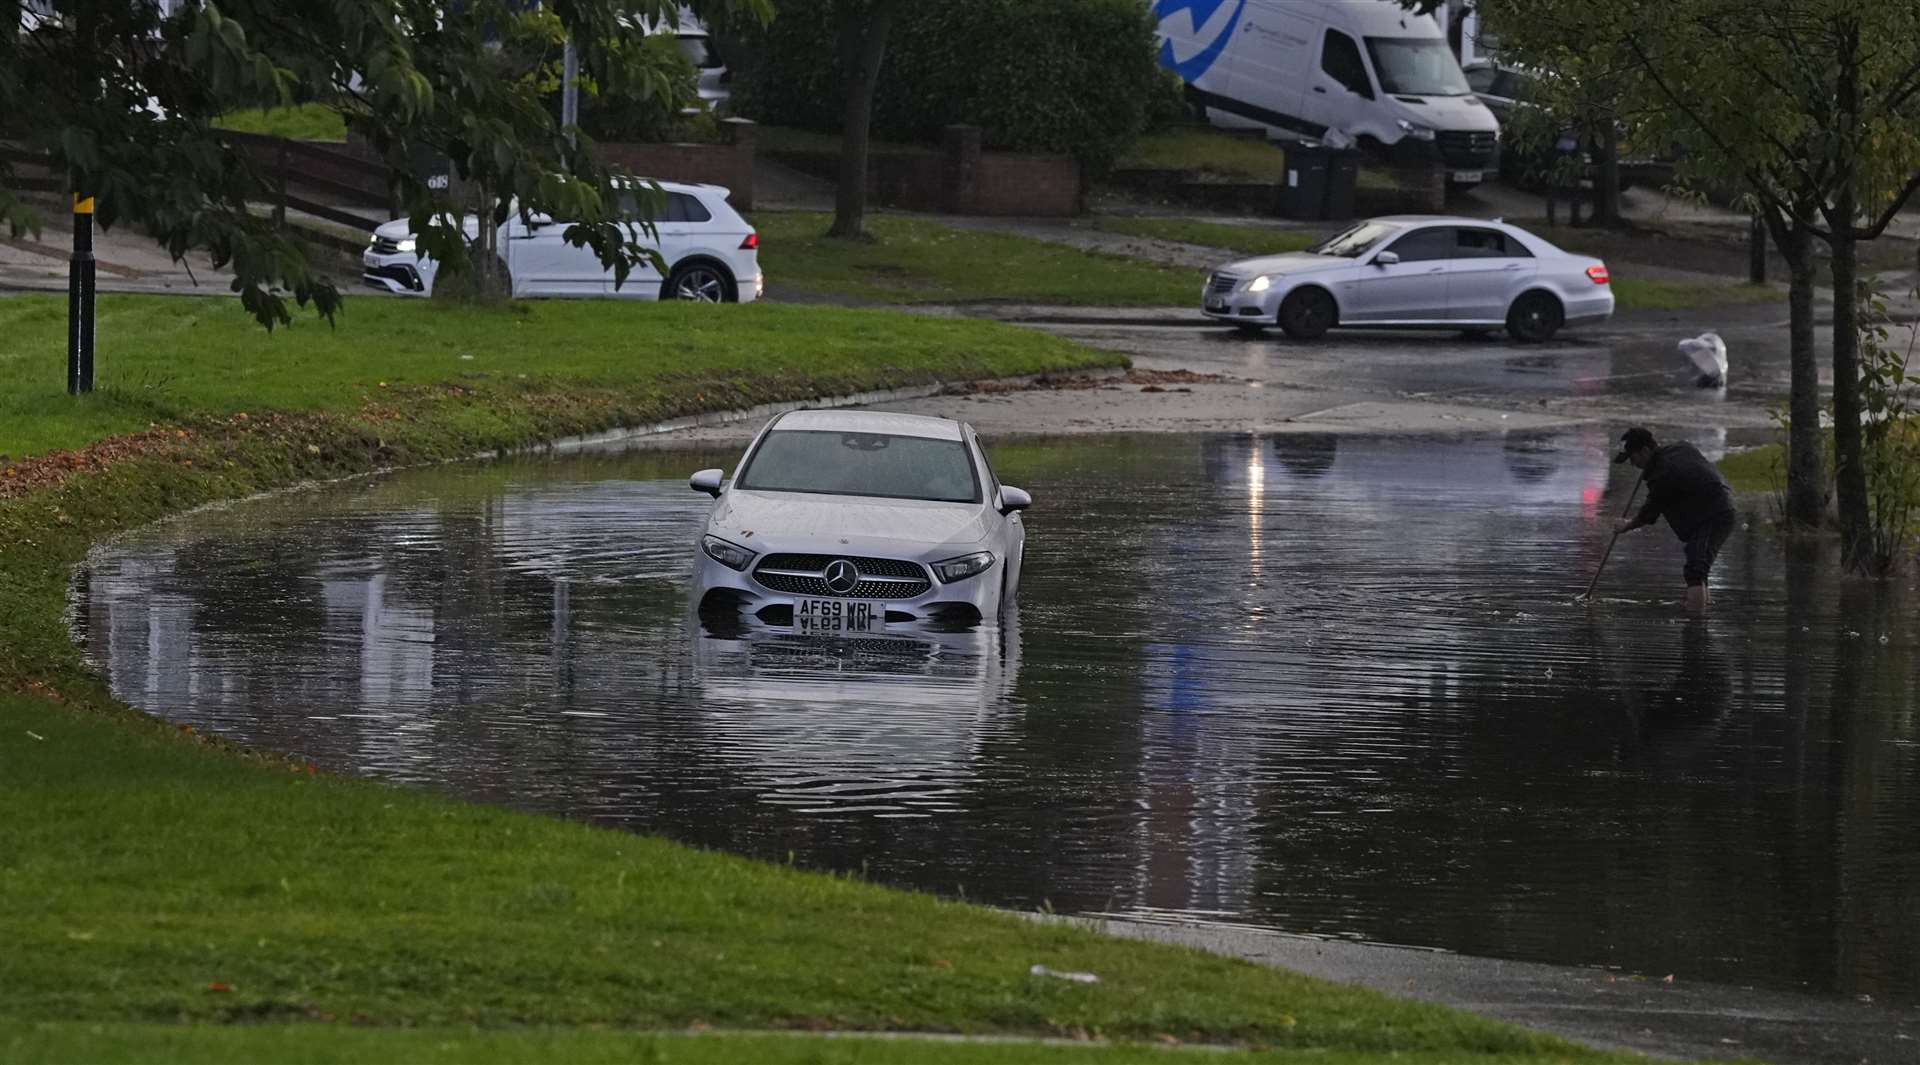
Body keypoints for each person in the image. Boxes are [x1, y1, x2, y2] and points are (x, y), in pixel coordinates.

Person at [1612, 427, 1737, 613]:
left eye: (1633, 458)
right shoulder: (1680, 448)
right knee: (1699, 566)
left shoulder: (1662, 473)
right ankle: (1700, 615)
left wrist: (1626, 525)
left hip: (1713, 515)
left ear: (1645, 451)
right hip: (1709, 512)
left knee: (1695, 569)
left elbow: (1649, 513)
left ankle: (1695, 627)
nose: (1632, 463)